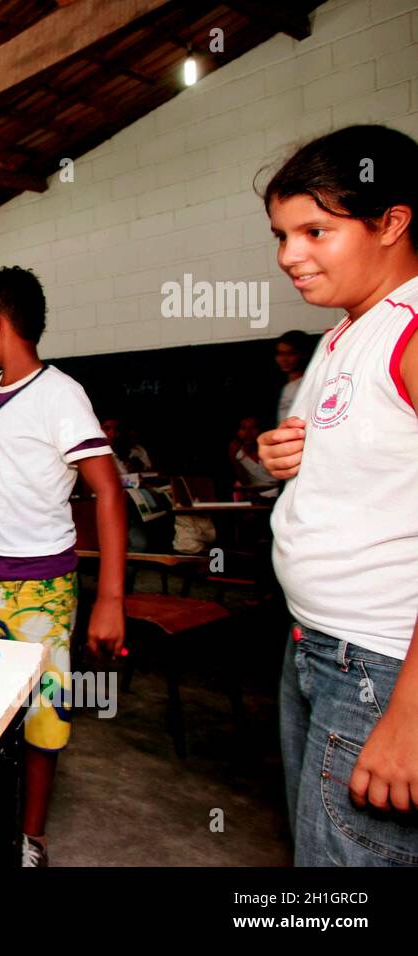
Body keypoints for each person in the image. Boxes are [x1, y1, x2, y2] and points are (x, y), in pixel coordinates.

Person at [257, 124, 418, 867]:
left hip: (382, 668)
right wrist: (282, 454)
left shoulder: (411, 332)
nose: (291, 256)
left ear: (392, 222)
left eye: (315, 230)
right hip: (316, 647)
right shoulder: (341, 335)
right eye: (283, 235)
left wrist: (409, 717)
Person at [0, 266, 126, 867]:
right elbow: (2, 475)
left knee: (44, 713)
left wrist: (110, 599)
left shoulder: (60, 394)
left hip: (39, 586)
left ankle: (30, 837)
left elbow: (108, 490)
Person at [229, 415, 280, 499]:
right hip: (259, 498)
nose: (249, 433)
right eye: (244, 428)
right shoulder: (237, 454)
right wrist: (233, 457)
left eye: (253, 428)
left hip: (280, 493)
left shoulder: (269, 447)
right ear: (237, 432)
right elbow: (245, 483)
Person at [274, 330, 314, 424]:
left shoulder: (308, 384)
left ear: (304, 354)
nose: (284, 359)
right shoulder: (282, 386)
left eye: (291, 354)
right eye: (280, 353)